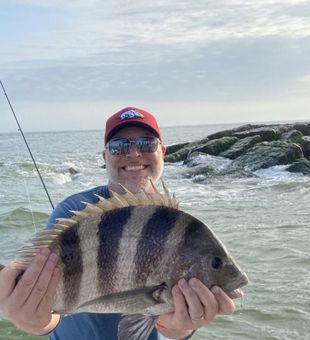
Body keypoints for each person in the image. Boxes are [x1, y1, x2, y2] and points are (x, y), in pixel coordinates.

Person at [0, 107, 236, 339]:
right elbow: (51, 316)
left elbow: (168, 326)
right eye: (119, 146)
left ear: (162, 152)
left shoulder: (176, 226)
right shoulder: (73, 211)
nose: (134, 153)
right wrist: (30, 320)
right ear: (106, 157)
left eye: (146, 143)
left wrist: (181, 325)